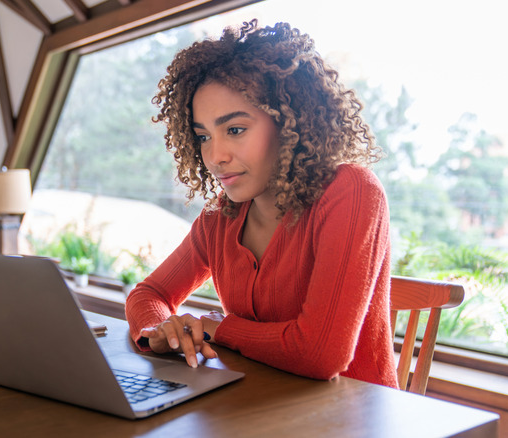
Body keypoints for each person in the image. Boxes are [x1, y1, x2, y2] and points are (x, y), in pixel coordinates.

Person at [124, 19, 398, 388]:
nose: (215, 156)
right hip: (254, 406)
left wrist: (217, 328)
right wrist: (163, 330)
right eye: (203, 136)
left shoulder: (351, 191)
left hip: (352, 416)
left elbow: (321, 354)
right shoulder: (220, 218)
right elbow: (149, 294)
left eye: (235, 129)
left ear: (290, 122)